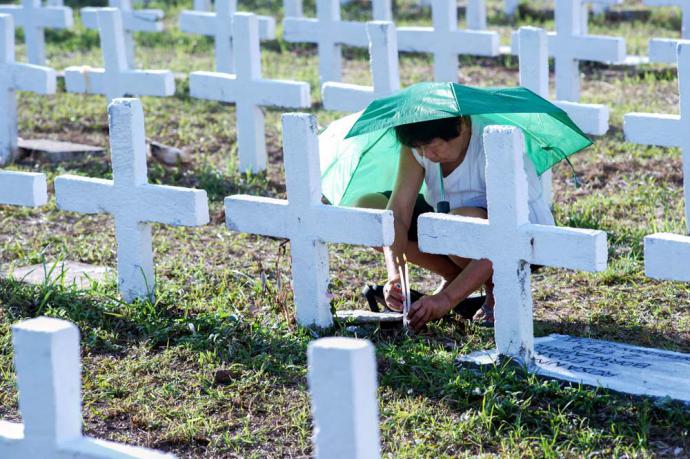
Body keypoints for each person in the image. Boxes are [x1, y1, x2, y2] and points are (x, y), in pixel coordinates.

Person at [355, 115, 554, 332]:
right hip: (448, 230)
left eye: (433, 147)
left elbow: (505, 237)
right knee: (372, 214)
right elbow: (399, 215)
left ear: (462, 126)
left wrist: (446, 300)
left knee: (456, 223)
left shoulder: (494, 145)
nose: (426, 156)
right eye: (418, 148)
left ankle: (495, 291)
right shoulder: (419, 145)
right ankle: (454, 276)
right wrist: (394, 274)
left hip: (521, 240)